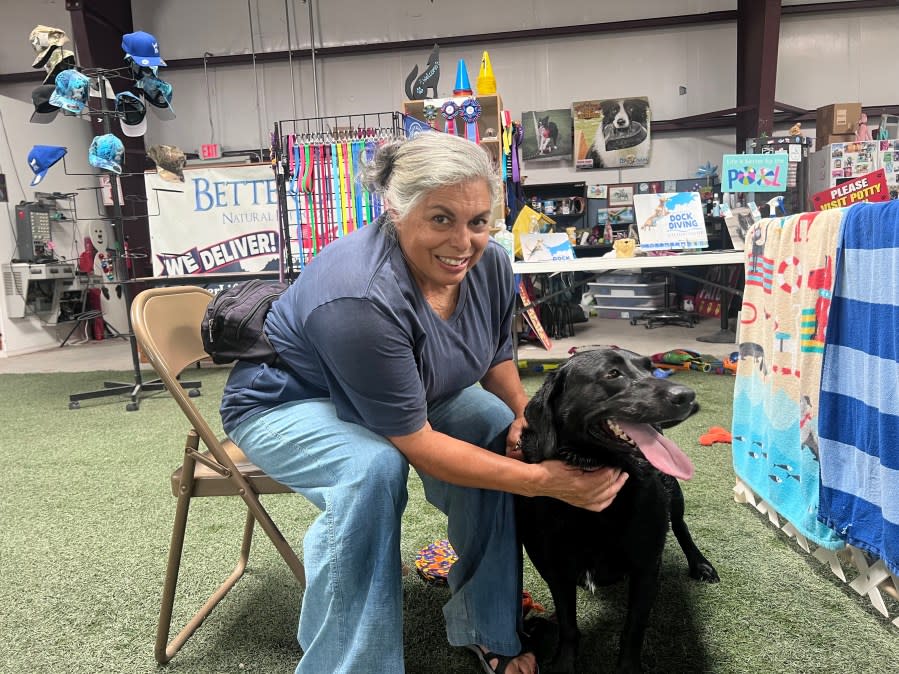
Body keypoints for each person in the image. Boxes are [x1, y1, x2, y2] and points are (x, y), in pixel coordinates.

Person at [220, 131, 628, 674]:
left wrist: (522, 414)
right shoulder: (359, 295)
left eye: (478, 221)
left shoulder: (490, 264)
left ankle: (487, 627)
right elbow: (418, 445)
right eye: (441, 219)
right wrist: (544, 480)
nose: (463, 242)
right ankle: (350, 666)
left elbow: (491, 353)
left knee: (492, 426)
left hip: (408, 387)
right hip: (287, 399)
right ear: (395, 209)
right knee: (370, 469)